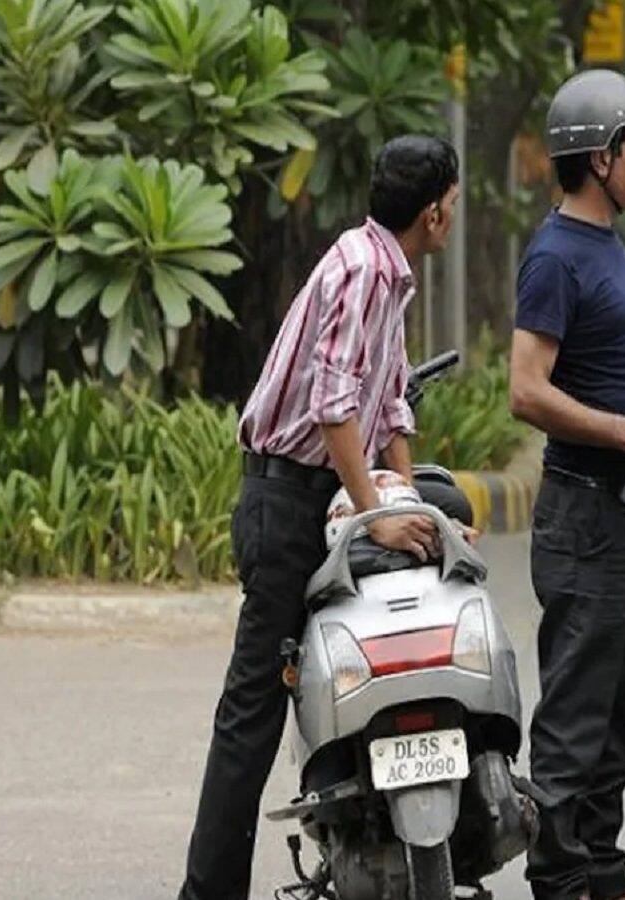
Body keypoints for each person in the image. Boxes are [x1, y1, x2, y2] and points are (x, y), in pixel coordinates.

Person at [176, 134, 462, 900]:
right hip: (286, 504)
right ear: (434, 214)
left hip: (320, 497)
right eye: (453, 203)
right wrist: (376, 519)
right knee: (254, 710)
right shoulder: (364, 270)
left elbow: (388, 404)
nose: (453, 215)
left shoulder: (387, 274)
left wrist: (410, 505)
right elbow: (334, 407)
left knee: (346, 668)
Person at [507, 69, 625, 900]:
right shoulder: (554, 257)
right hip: (584, 517)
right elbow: (526, 391)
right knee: (578, 711)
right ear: (600, 157)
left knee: (622, 706)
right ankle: (561, 877)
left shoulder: (607, 245)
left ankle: (602, 866)